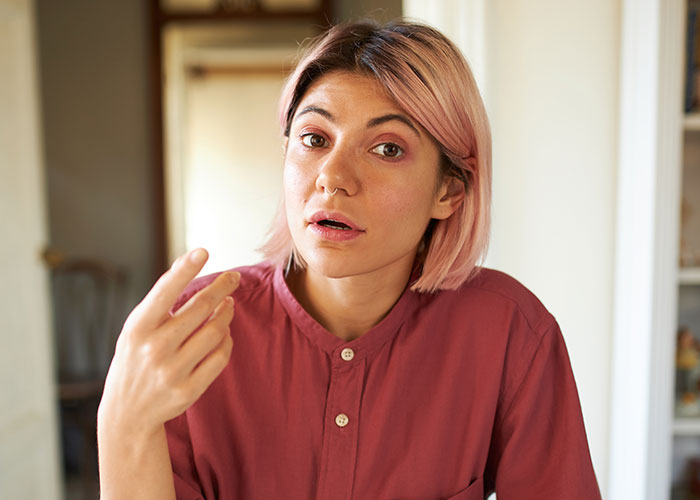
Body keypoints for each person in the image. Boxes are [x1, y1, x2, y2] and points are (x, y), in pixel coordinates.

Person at [97, 19, 602, 500]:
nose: (333, 176)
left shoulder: (511, 332)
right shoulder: (191, 330)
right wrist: (123, 424)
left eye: (386, 148)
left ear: (449, 190)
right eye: (314, 139)